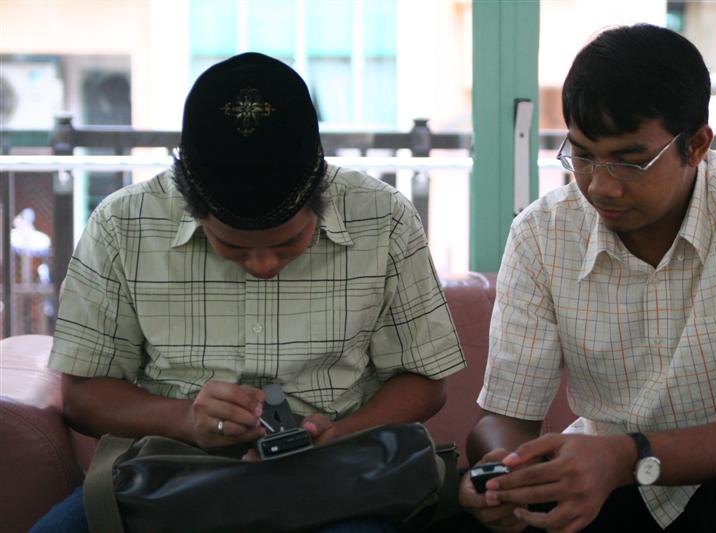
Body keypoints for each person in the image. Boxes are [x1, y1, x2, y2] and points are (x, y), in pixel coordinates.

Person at [33, 52, 465, 532]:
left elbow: (426, 380)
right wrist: (187, 421)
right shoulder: (122, 225)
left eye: (287, 244)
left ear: (320, 192)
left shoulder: (383, 218)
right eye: (233, 248)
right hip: (174, 474)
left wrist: (339, 433)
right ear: (191, 206)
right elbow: (83, 394)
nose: (263, 265)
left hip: (341, 477)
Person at [460, 23, 716, 533]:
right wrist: (507, 472)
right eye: (581, 153)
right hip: (608, 485)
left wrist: (627, 456)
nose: (600, 186)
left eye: (631, 162)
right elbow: (505, 414)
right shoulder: (541, 233)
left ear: (698, 145)